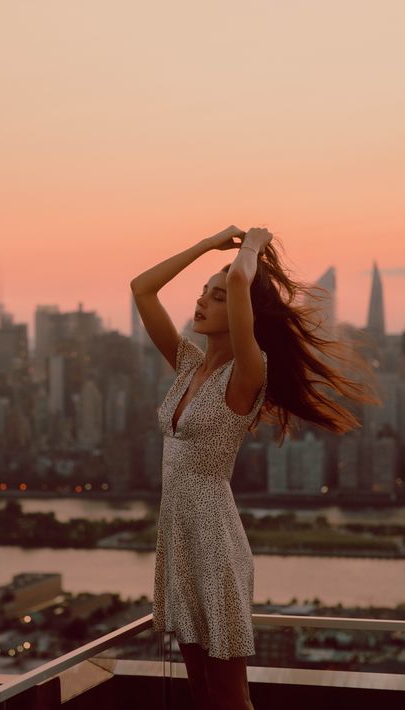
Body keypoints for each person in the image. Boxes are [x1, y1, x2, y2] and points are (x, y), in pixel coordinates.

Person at [130, 225, 377, 710]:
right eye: (203, 292)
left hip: (215, 540)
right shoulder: (187, 365)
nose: (202, 301)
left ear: (241, 312)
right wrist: (205, 244)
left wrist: (252, 248)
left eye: (217, 297)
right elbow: (141, 288)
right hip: (179, 538)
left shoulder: (248, 371)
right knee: (200, 690)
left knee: (228, 694)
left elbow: (244, 282)